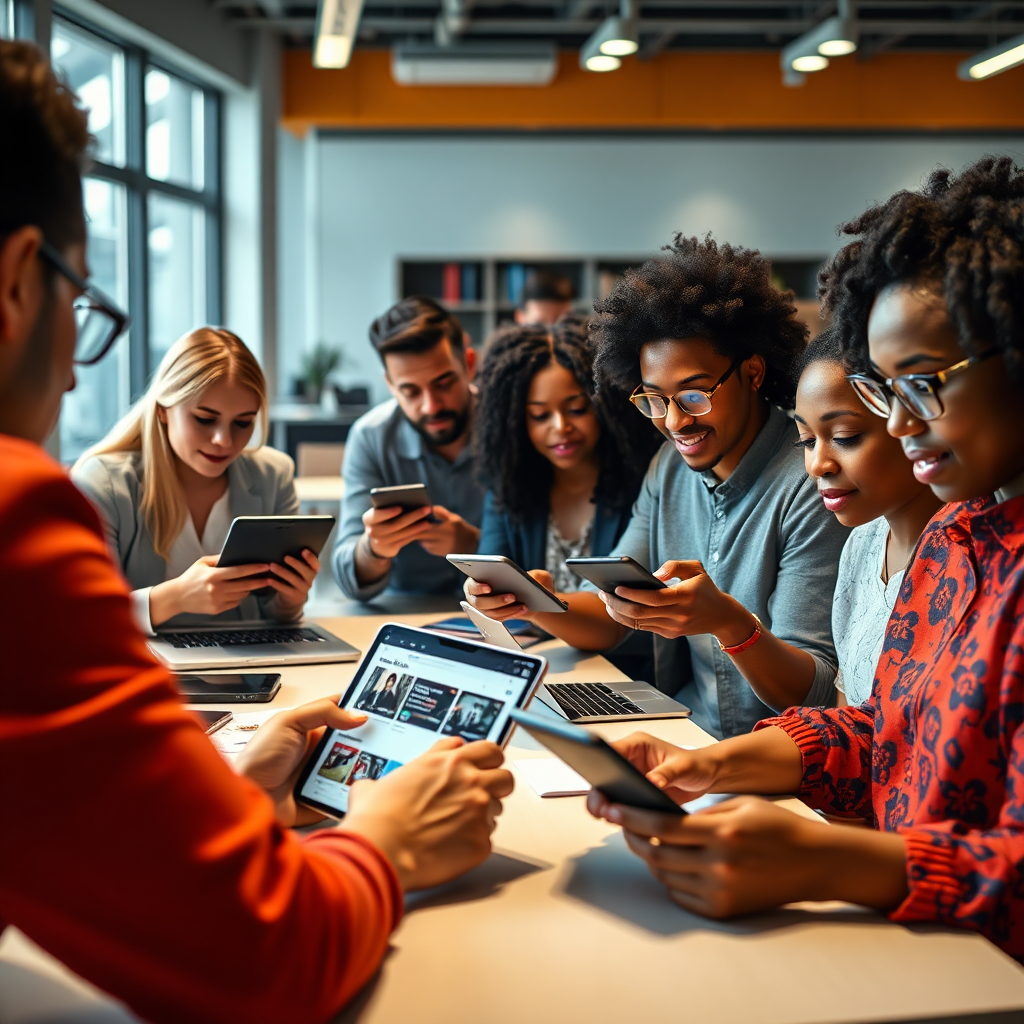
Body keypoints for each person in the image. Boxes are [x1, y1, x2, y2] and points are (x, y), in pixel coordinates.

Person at [0, 39, 513, 1024]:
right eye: (81, 305)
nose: (71, 370)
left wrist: (229, 796)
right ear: (24, 278)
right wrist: (386, 842)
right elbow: (261, 956)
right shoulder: (24, 517)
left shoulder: (264, 474)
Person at [585, 157, 1024, 962]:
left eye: (922, 386)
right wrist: (710, 765)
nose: (897, 428)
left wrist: (822, 861)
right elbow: (888, 734)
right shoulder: (955, 542)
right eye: (886, 393)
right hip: (920, 952)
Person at [466, 235, 849, 739]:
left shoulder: (809, 482)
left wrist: (729, 624)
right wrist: (540, 602)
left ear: (753, 373)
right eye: (653, 399)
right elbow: (611, 613)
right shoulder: (669, 468)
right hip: (688, 732)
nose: (674, 421)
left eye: (693, 394)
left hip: (776, 761)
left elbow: (814, 692)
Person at [72, 327, 314, 633]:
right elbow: (80, 617)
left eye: (243, 423)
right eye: (204, 419)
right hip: (142, 666)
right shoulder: (102, 484)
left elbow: (276, 618)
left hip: (250, 667)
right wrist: (174, 598)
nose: (223, 441)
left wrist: (291, 600)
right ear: (162, 409)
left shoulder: (273, 476)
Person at [792, 326, 941, 705]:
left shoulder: (970, 559)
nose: (817, 465)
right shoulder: (862, 544)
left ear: (910, 422)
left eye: (844, 437)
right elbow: (849, 719)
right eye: (807, 441)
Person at [474, 319, 661, 592]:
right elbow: (488, 577)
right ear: (514, 421)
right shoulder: (509, 485)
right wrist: (479, 593)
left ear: (606, 405)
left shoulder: (643, 483)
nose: (561, 428)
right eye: (539, 415)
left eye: (576, 409)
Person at [332, 296, 484, 601]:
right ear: (390, 385)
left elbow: (548, 559)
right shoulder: (370, 437)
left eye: (443, 383)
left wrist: (476, 547)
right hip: (402, 612)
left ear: (468, 364)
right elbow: (347, 576)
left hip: (504, 614)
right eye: (410, 391)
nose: (431, 406)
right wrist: (373, 548)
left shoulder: (510, 427)